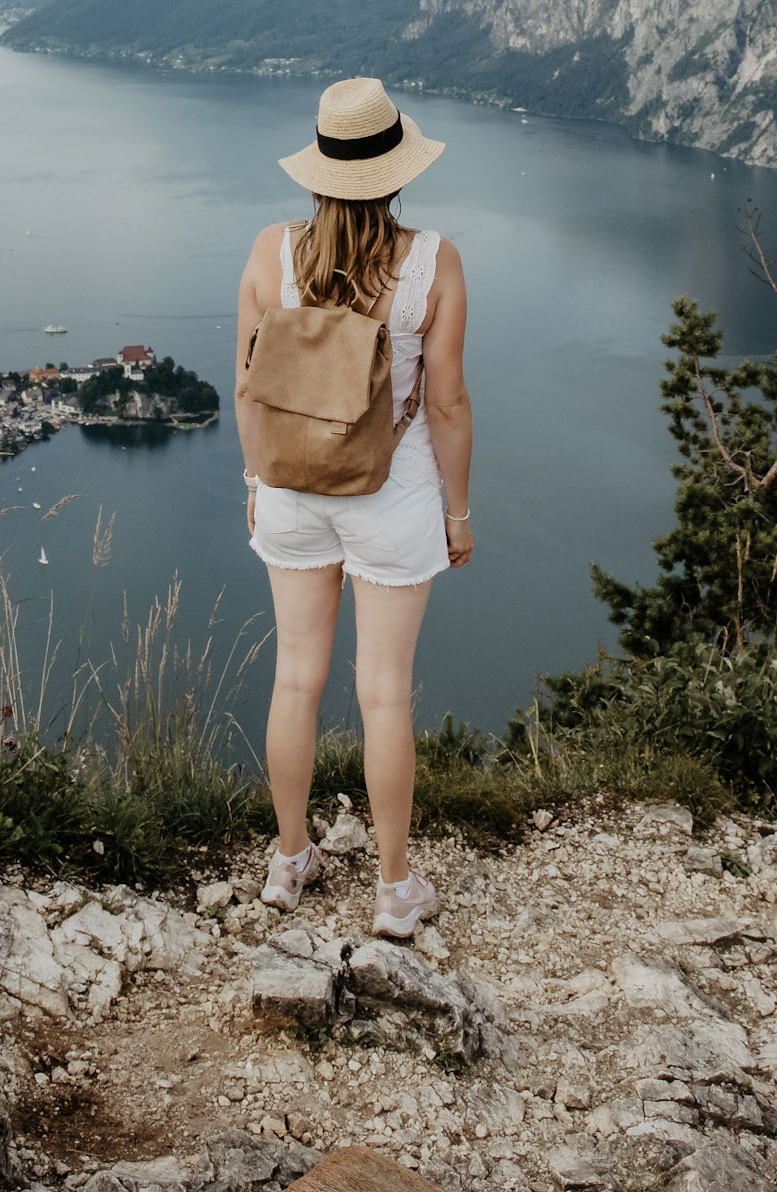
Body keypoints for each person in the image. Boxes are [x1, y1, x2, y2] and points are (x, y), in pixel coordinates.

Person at [235, 76, 473, 940]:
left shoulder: (271, 252)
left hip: (291, 489)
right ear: (396, 170)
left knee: (294, 680)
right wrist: (457, 513)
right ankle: (393, 890)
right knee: (383, 695)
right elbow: (444, 404)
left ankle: (289, 861)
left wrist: (258, 485)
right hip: (392, 495)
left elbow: (246, 387)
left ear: (318, 171)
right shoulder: (432, 261)